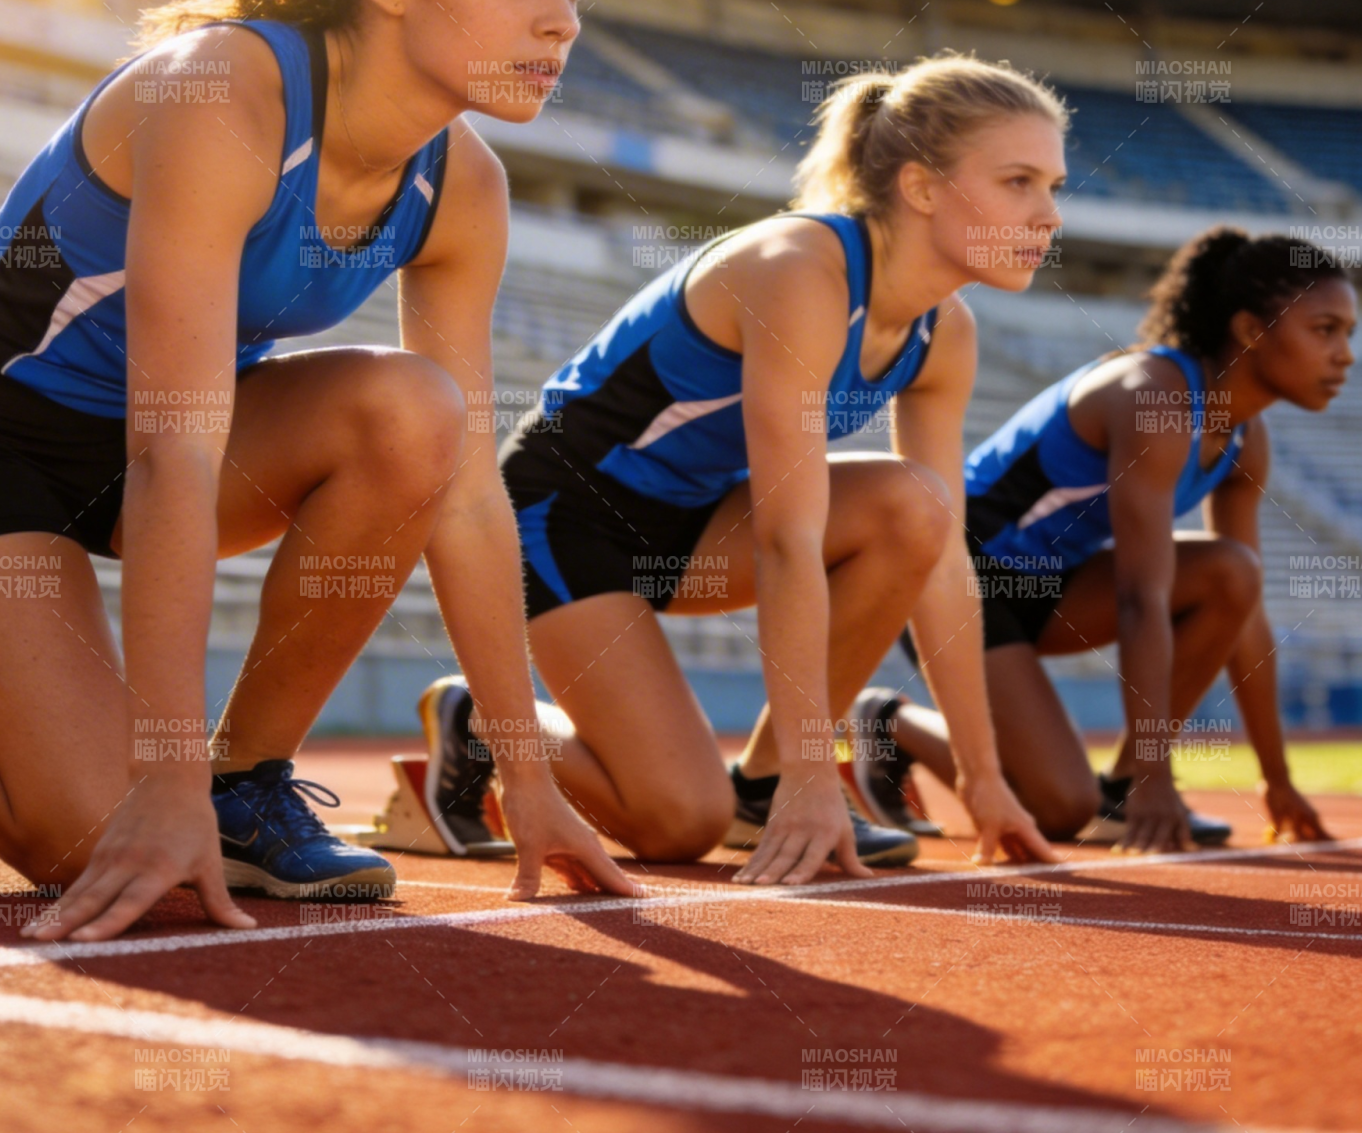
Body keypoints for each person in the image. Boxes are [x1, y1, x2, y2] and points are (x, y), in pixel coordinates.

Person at [0, 0, 637, 936]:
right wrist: (154, 786)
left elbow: (463, 493)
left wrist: (535, 776)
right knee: (93, 843)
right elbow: (172, 443)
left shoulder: (462, 185)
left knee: (422, 415)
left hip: (169, 446)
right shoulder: (219, 89)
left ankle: (245, 778)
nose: (559, 21)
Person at [420, 55, 1065, 887]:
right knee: (679, 825)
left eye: (1053, 185)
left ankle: (760, 785)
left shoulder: (949, 335)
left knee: (918, 508)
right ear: (922, 186)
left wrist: (984, 779)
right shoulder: (798, 269)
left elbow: (942, 566)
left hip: (696, 524)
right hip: (567, 516)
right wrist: (815, 773)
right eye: (1019, 182)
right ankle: (481, 722)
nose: (1048, 215)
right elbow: (790, 541)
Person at [851, 227, 1351, 854]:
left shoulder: (1247, 440)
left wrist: (1277, 782)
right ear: (1251, 330)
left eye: (1348, 335)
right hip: (960, 577)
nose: (1345, 355)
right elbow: (1142, 598)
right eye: (1325, 330)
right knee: (1060, 810)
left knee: (1233, 572)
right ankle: (891, 724)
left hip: (1054, 587)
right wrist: (1158, 775)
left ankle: (1118, 788)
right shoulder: (1153, 397)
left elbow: (1244, 618)